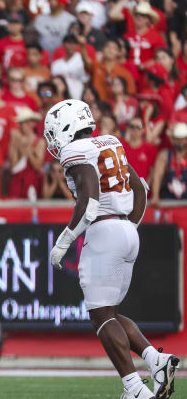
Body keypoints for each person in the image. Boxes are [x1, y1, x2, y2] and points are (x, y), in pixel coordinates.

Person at [44, 99, 179, 399]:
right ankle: (155, 361)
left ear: (67, 127)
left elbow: (89, 200)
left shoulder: (74, 150)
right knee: (110, 313)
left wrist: (63, 242)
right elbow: (140, 187)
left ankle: (133, 388)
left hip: (104, 230)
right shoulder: (110, 141)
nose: (53, 140)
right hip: (126, 229)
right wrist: (129, 227)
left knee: (100, 316)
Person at [150, 123, 187, 203]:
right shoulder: (164, 155)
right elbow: (157, 176)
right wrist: (155, 196)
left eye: (183, 138)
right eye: (177, 138)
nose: (180, 141)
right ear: (173, 139)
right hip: (167, 203)